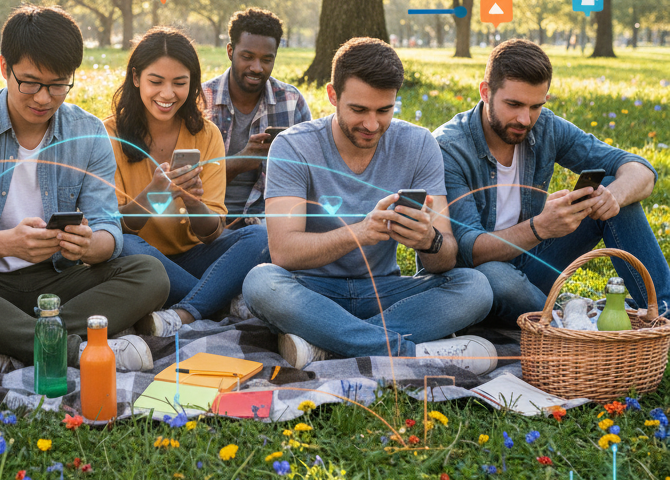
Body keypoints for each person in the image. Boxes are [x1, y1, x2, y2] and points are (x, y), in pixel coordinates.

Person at [0, 5, 169, 372]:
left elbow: (108, 228)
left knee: (150, 274)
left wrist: (88, 244)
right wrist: (10, 244)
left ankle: (7, 344)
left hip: (59, 280)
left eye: (58, 84)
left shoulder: (88, 132)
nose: (44, 98)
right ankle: (67, 348)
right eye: (30, 82)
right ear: (5, 67)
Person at [243, 36, 496, 370]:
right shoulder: (293, 147)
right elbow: (284, 253)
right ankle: (410, 353)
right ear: (333, 95)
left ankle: (326, 346)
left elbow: (444, 258)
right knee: (261, 283)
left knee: (475, 287)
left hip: (384, 293)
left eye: (384, 110)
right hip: (311, 294)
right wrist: (360, 232)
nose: (372, 124)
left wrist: (429, 241)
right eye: (359, 110)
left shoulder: (418, 144)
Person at [434, 37, 670, 323]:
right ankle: (562, 320)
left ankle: (663, 313)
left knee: (613, 193)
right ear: (485, 92)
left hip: (533, 262)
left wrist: (614, 197)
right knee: (494, 275)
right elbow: (467, 250)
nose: (525, 118)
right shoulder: (449, 147)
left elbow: (641, 169)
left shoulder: (545, 126)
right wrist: (542, 226)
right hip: (477, 279)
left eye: (536, 106)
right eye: (514, 104)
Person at [104, 26, 269, 336]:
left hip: (196, 257)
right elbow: (112, 227)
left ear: (192, 84)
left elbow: (211, 233)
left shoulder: (206, 135)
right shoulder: (108, 135)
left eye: (180, 83)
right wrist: (153, 194)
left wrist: (192, 200)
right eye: (156, 81)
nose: (168, 94)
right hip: (142, 261)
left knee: (261, 238)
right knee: (121, 244)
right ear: (137, 77)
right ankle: (215, 300)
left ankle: (185, 310)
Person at [202, 7, 312, 226]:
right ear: (230, 51)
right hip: (208, 223)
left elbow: (311, 174)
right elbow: (185, 184)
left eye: (267, 59)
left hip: (266, 224)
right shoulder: (201, 100)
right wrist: (238, 163)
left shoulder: (291, 102)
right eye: (247, 57)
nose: (257, 68)